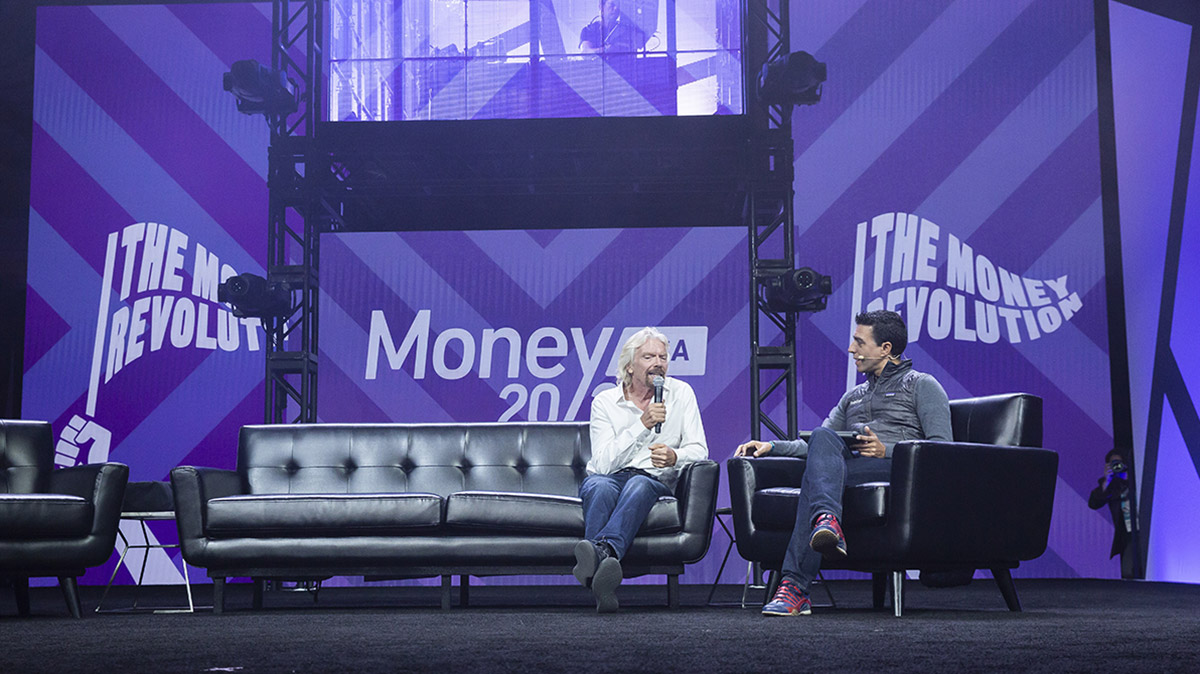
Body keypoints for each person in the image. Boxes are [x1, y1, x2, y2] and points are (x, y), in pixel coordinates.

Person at [734, 310, 952, 616]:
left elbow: (942, 448)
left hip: (896, 473)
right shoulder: (853, 397)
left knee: (815, 478)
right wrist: (771, 446)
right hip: (847, 470)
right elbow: (818, 444)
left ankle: (795, 586)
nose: (852, 349)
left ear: (886, 349)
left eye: (860, 343)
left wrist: (886, 450)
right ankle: (825, 522)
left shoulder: (922, 385)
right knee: (823, 436)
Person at [574, 327, 708, 612]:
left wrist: (675, 456)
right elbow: (602, 465)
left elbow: (700, 451)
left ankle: (600, 552)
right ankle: (603, 580)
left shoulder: (681, 394)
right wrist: (642, 425)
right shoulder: (605, 402)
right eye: (648, 356)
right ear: (629, 366)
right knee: (598, 486)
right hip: (609, 477)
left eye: (662, 356)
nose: (658, 362)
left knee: (639, 484)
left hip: (653, 479)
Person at [1088, 448, 1138, 578]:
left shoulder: (1137, 477)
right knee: (1128, 571)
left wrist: (1127, 476)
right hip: (1127, 533)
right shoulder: (1110, 485)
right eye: (1113, 463)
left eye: (1119, 463)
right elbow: (1094, 503)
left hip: (1145, 529)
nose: (1117, 466)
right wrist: (1107, 480)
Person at [579, 0, 648, 54]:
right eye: (612, 4)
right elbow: (585, 51)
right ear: (601, 7)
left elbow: (640, 43)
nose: (616, 8)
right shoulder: (589, 30)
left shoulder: (627, 29)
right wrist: (607, 50)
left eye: (618, 5)